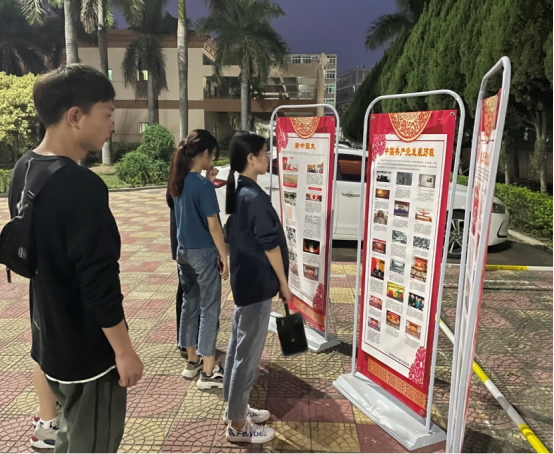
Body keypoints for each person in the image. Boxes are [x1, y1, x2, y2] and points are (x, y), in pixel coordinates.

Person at [8, 64, 143, 453]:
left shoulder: (24, 168)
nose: (112, 125)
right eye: (107, 114)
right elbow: (98, 280)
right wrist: (123, 351)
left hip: (50, 337)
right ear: (74, 116)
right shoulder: (81, 185)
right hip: (88, 354)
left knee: (69, 438)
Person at [223, 131, 292, 444]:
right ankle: (238, 425)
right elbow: (270, 246)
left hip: (245, 281)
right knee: (247, 355)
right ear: (250, 159)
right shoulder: (253, 198)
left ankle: (235, 409)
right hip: (256, 284)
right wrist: (284, 284)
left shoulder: (240, 192)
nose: (268, 157)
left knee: (239, 348)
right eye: (264, 153)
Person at [168, 129, 229, 390]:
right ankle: (208, 371)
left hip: (183, 252)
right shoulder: (203, 187)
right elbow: (214, 226)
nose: (212, 159)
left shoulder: (179, 181)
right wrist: (224, 256)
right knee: (209, 308)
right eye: (212, 154)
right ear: (204, 153)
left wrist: (206, 179)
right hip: (204, 253)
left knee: (190, 304)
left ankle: (192, 362)